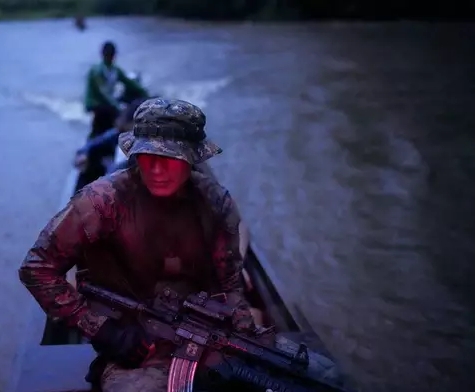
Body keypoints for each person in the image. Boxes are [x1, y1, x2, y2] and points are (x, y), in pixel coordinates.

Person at [19, 98, 341, 392]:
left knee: (323, 375)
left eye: (170, 159)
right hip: (137, 344)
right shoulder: (102, 202)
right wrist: (102, 330)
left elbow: (229, 281)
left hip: (213, 333)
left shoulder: (215, 202)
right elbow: (37, 268)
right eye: (147, 157)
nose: (157, 170)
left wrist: (246, 337)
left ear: (192, 159)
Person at [78, 41, 149, 189]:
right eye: (108, 55)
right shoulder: (97, 71)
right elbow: (104, 93)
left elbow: (130, 84)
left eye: (112, 55)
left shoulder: (115, 70)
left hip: (110, 107)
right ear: (104, 55)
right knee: (103, 132)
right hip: (97, 105)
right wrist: (118, 109)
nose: (110, 57)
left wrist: (148, 96)